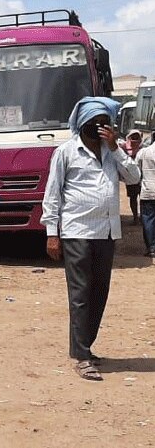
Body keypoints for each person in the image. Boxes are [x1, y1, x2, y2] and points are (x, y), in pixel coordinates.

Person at [42, 97, 140, 381]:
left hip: (107, 232)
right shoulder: (65, 152)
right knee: (81, 293)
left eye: (104, 124)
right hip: (76, 232)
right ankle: (82, 355)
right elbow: (52, 194)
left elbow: (133, 178)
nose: (99, 129)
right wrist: (52, 233)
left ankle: (85, 346)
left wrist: (116, 149)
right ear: (82, 125)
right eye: (94, 124)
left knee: (99, 292)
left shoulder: (113, 151)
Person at [137, 131, 155, 257]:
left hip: (148, 191)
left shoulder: (144, 152)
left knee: (148, 220)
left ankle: (152, 248)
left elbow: (136, 171)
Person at [122, 129, 144, 224]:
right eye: (133, 137)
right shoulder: (124, 148)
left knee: (143, 199)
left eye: (137, 137)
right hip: (130, 178)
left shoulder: (143, 149)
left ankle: (143, 218)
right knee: (133, 198)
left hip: (143, 178)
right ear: (129, 138)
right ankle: (135, 217)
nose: (135, 139)